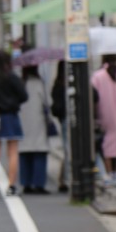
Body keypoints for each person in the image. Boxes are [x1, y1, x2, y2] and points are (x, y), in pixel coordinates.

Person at [0, 50, 28, 197]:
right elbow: (24, 95)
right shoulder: (11, 76)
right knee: (12, 152)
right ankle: (11, 185)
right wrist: (13, 102)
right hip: (10, 115)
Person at [91, 54, 116, 185]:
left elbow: (93, 95)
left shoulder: (97, 75)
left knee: (107, 141)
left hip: (104, 109)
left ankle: (109, 173)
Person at [18, 64, 57, 194]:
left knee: (24, 153)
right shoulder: (39, 83)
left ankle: (26, 183)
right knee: (39, 152)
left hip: (22, 122)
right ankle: (39, 184)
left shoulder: (20, 83)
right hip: (38, 121)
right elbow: (48, 102)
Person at [50, 60, 69, 193]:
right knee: (69, 150)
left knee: (67, 150)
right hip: (68, 119)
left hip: (63, 119)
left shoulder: (57, 84)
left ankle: (63, 179)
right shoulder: (67, 84)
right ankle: (65, 178)